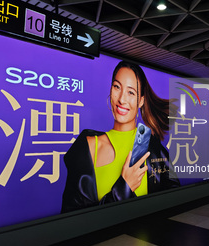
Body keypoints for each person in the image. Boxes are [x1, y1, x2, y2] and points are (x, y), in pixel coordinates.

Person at [61, 61, 180, 213]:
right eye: (117, 87)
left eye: (131, 92)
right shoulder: (89, 146)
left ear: (141, 101)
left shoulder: (151, 146)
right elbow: (73, 217)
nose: (122, 99)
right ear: (110, 89)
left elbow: (173, 197)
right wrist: (125, 186)